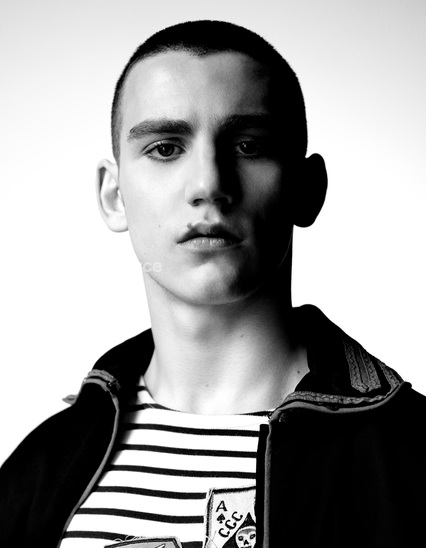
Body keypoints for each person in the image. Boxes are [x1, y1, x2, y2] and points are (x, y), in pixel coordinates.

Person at [0, 19, 425, 548]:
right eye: (165, 148)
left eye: (248, 145)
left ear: (307, 189)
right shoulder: (37, 473)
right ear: (113, 196)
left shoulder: (417, 463)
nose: (208, 184)